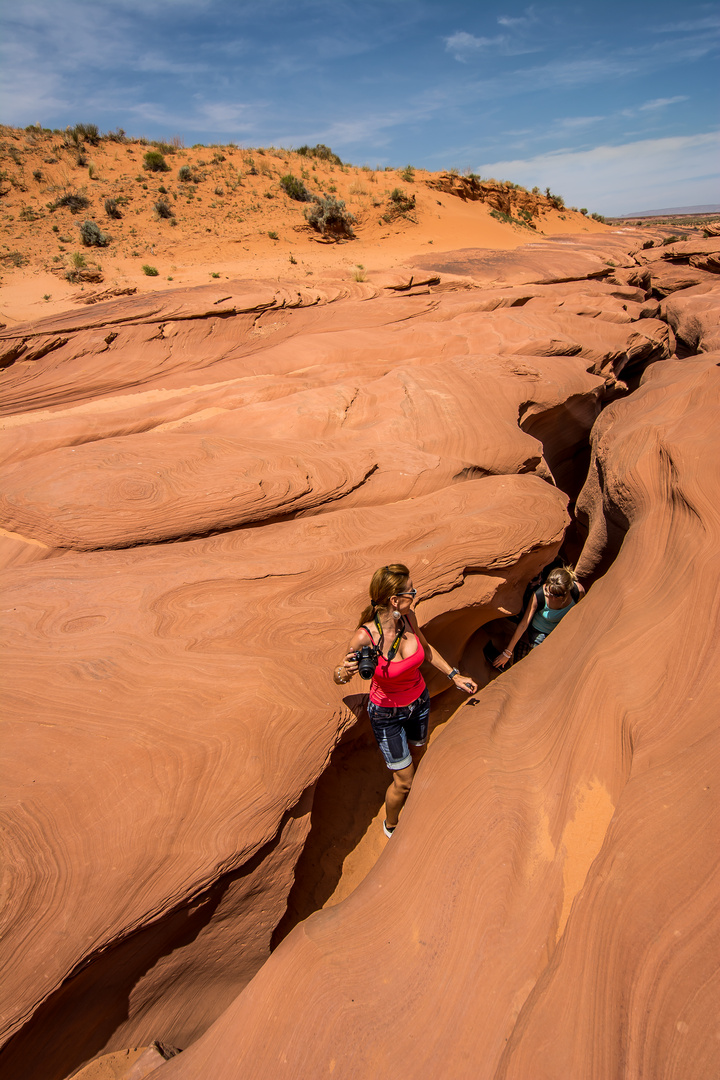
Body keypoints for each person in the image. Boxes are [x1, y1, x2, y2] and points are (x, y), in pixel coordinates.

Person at [334, 564, 477, 837]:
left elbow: (425, 648)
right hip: (386, 715)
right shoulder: (365, 637)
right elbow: (338, 675)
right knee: (404, 781)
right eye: (411, 591)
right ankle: (392, 825)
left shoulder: (408, 618)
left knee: (419, 751)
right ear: (394, 600)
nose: (416, 594)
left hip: (419, 704)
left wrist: (453, 675)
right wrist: (344, 671)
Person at [492, 567, 585, 670]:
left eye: (557, 595)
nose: (552, 597)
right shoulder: (539, 595)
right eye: (549, 592)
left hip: (561, 632)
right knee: (537, 664)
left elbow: (581, 615)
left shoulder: (578, 592)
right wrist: (507, 653)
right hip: (540, 633)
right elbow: (524, 624)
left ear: (567, 592)